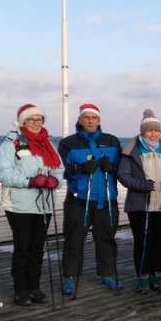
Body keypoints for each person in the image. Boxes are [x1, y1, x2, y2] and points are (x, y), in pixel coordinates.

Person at [0, 104, 64, 306]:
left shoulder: (47, 143)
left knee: (37, 248)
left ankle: (34, 287)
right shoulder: (11, 143)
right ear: (22, 122)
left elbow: (59, 169)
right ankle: (20, 290)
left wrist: (55, 181)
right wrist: (29, 181)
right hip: (19, 205)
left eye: (39, 119)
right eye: (31, 119)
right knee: (23, 247)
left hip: (44, 204)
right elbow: (2, 172)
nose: (35, 123)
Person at [57, 103, 123, 298]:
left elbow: (124, 169)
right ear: (80, 120)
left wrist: (112, 168)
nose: (90, 121)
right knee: (74, 240)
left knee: (106, 239)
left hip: (107, 200)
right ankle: (70, 276)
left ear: (99, 120)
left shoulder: (112, 141)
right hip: (79, 201)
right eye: (86, 118)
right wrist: (80, 168)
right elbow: (60, 171)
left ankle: (107, 274)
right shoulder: (67, 143)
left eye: (94, 118)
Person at [118, 109, 161, 292]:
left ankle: (156, 275)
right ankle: (143, 277)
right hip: (140, 205)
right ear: (143, 131)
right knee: (143, 242)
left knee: (160, 242)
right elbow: (123, 175)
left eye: (156, 130)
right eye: (149, 130)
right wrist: (141, 184)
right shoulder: (132, 149)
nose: (153, 134)